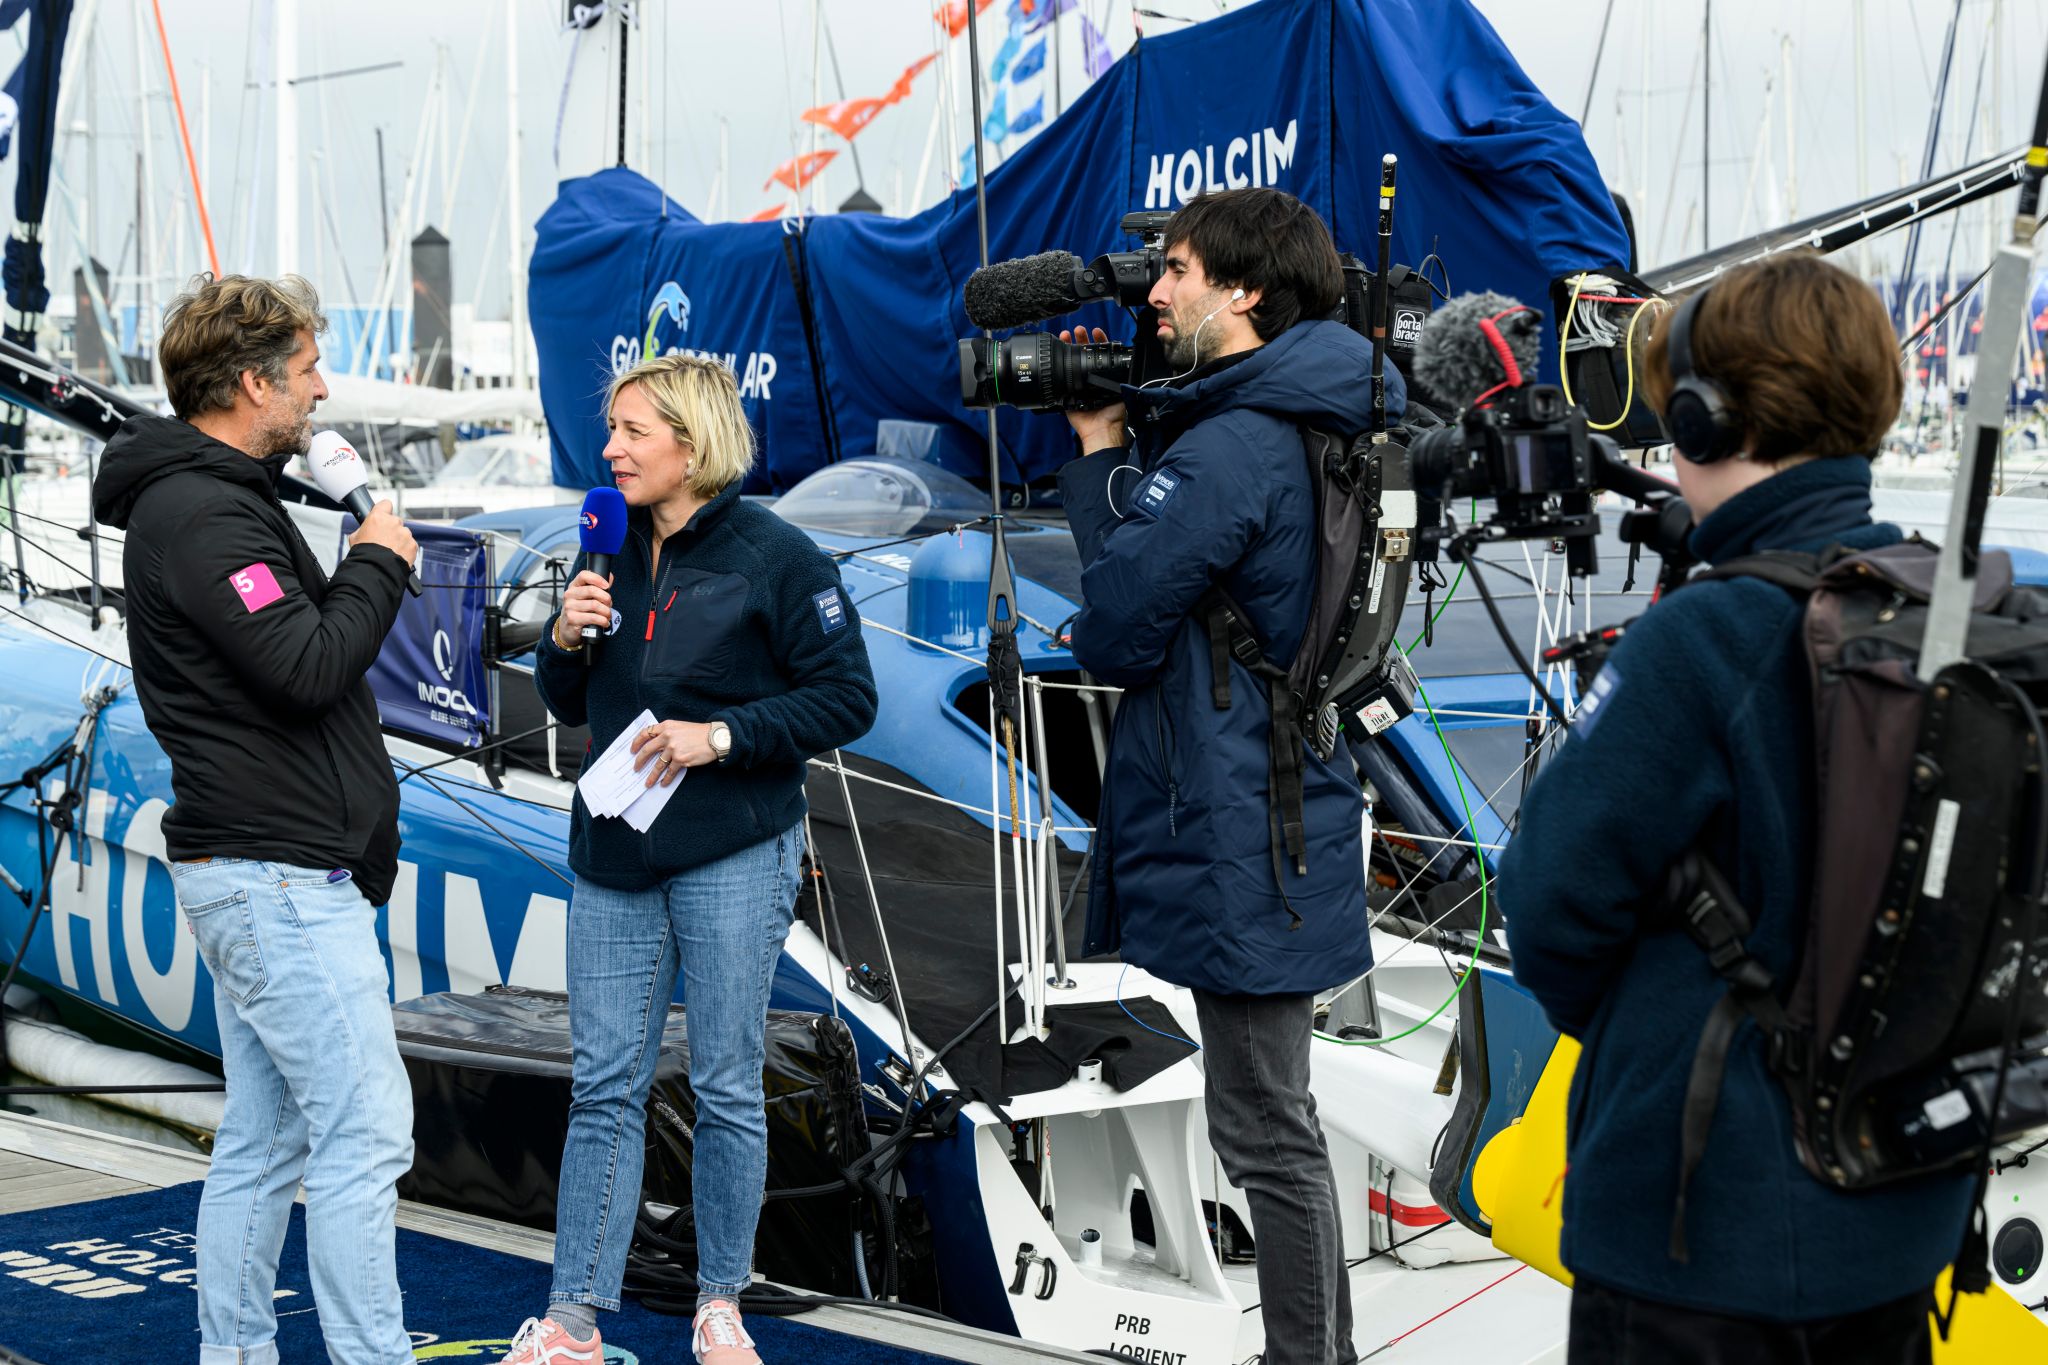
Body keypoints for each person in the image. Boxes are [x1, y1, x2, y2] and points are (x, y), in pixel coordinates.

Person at [1500, 251, 1977, 1364]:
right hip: (1901, 1207)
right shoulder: (1944, 607)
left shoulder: (1705, 638)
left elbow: (1546, 901)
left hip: (1702, 1237)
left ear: (1706, 423)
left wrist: (1640, 1043)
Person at [1056, 187, 1401, 1365]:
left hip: (1243, 819)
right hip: (1281, 803)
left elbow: (1111, 626)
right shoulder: (1317, 422)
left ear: (1246, 291)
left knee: (1262, 1128)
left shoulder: (1236, 445)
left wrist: (1100, 454)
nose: (1155, 293)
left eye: (1178, 272)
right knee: (1274, 1119)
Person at [507, 353, 877, 1365]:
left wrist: (718, 737)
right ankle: (572, 1321)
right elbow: (566, 702)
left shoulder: (779, 556)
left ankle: (720, 1303)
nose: (610, 448)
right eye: (611, 429)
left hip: (733, 846)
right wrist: (565, 641)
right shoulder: (605, 546)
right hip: (612, 850)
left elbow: (848, 699)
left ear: (692, 442)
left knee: (720, 1081)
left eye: (632, 431)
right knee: (604, 1085)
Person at [91, 274, 421, 1365]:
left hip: (268, 869)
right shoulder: (205, 512)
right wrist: (378, 557)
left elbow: (291, 653)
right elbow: (303, 666)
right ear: (251, 382)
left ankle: (233, 1354)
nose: (321, 392)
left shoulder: (218, 501)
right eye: (309, 371)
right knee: (365, 1132)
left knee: (267, 1137)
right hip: (278, 876)